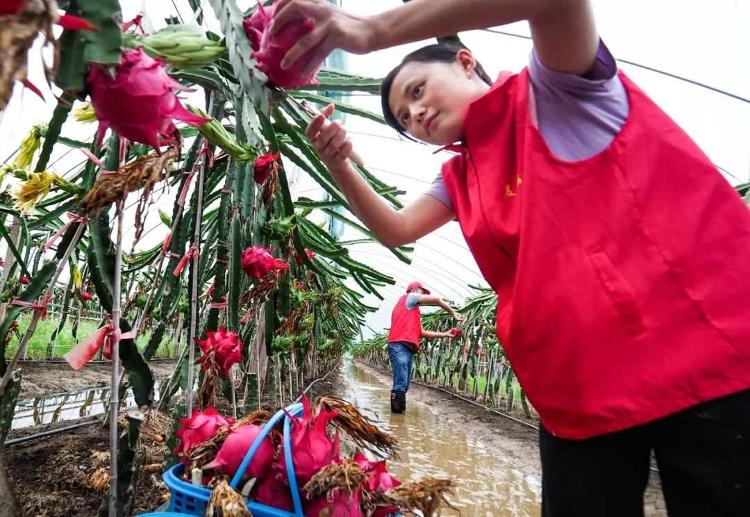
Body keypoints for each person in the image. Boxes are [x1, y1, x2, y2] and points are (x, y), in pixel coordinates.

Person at [271, 1, 750, 515]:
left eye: (417, 92)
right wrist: (339, 163)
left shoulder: (558, 91)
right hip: (575, 393)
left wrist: (371, 31)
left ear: (465, 61)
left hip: (700, 365)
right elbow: (395, 229)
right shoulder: (457, 176)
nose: (418, 116)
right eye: (407, 120)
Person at [387, 280, 462, 414]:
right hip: (398, 345)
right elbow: (437, 299)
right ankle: (397, 418)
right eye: (423, 292)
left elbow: (421, 333)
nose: (423, 296)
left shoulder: (412, 310)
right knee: (400, 382)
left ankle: (398, 414)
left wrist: (446, 334)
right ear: (415, 290)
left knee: (404, 384)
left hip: (407, 349)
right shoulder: (410, 297)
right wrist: (452, 312)